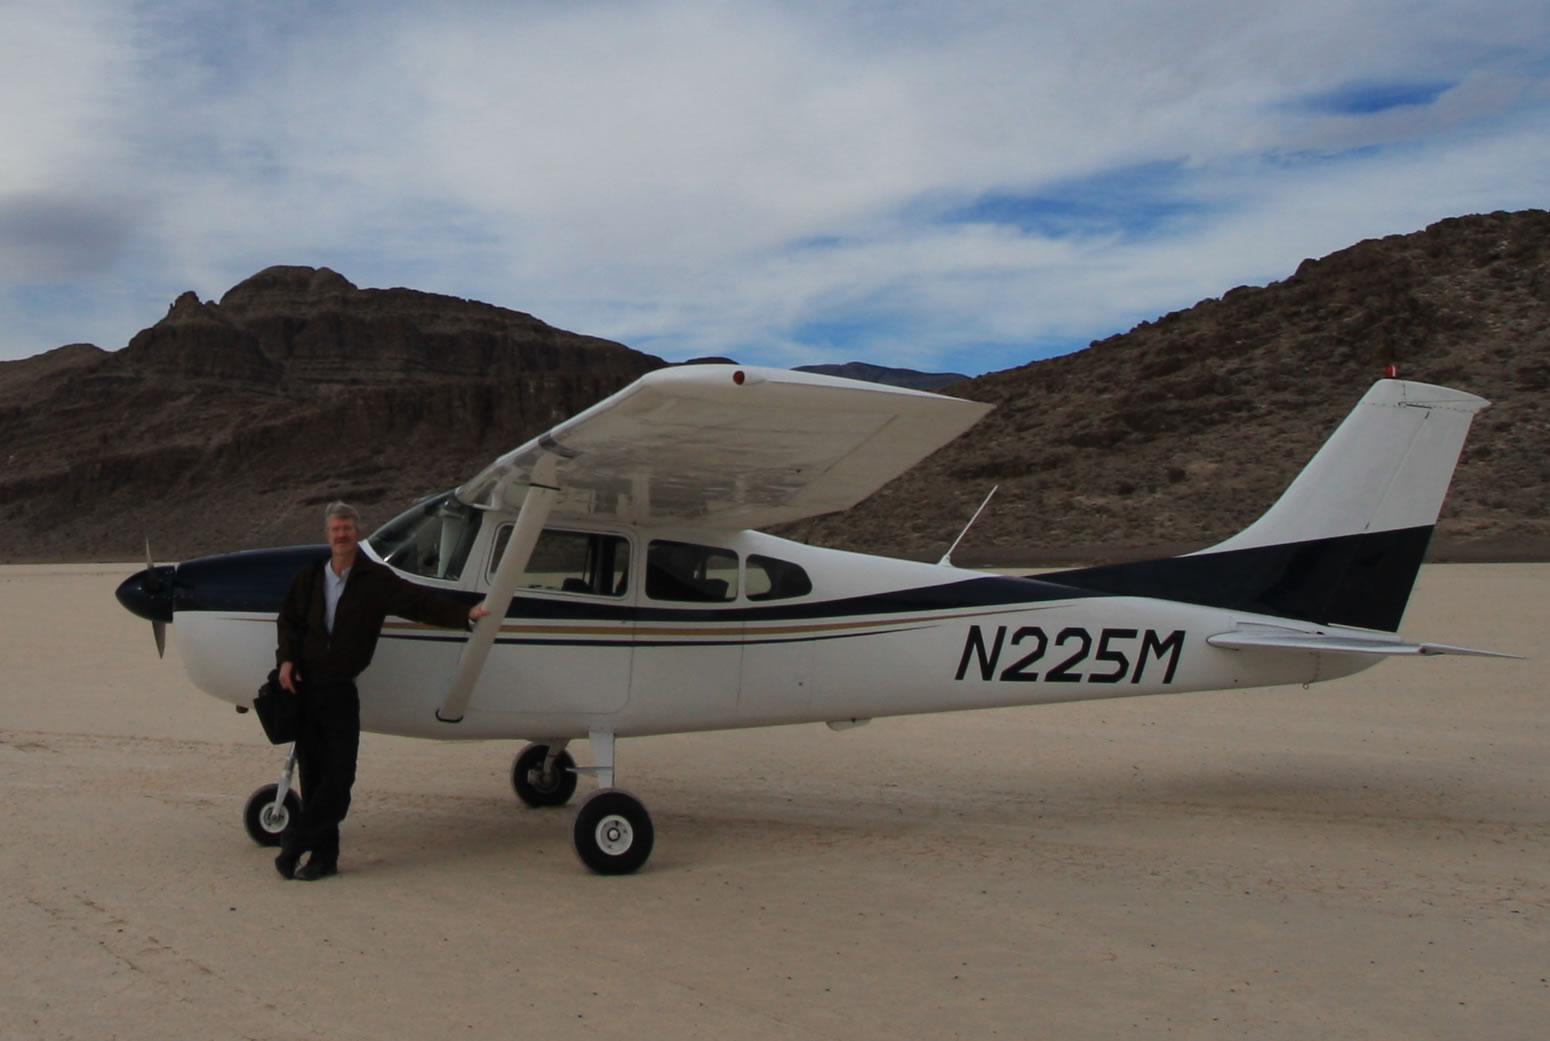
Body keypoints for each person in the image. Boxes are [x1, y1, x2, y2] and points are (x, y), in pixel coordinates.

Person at [274, 501, 488, 880]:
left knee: (340, 779)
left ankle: (293, 844)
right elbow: (288, 620)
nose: (341, 535)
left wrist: (464, 616)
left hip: (341, 692)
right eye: (335, 529)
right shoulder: (310, 576)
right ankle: (323, 859)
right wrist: (286, 660)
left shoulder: (375, 579)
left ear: (357, 533)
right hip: (307, 689)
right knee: (314, 776)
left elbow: (418, 603)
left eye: (347, 529)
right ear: (328, 535)